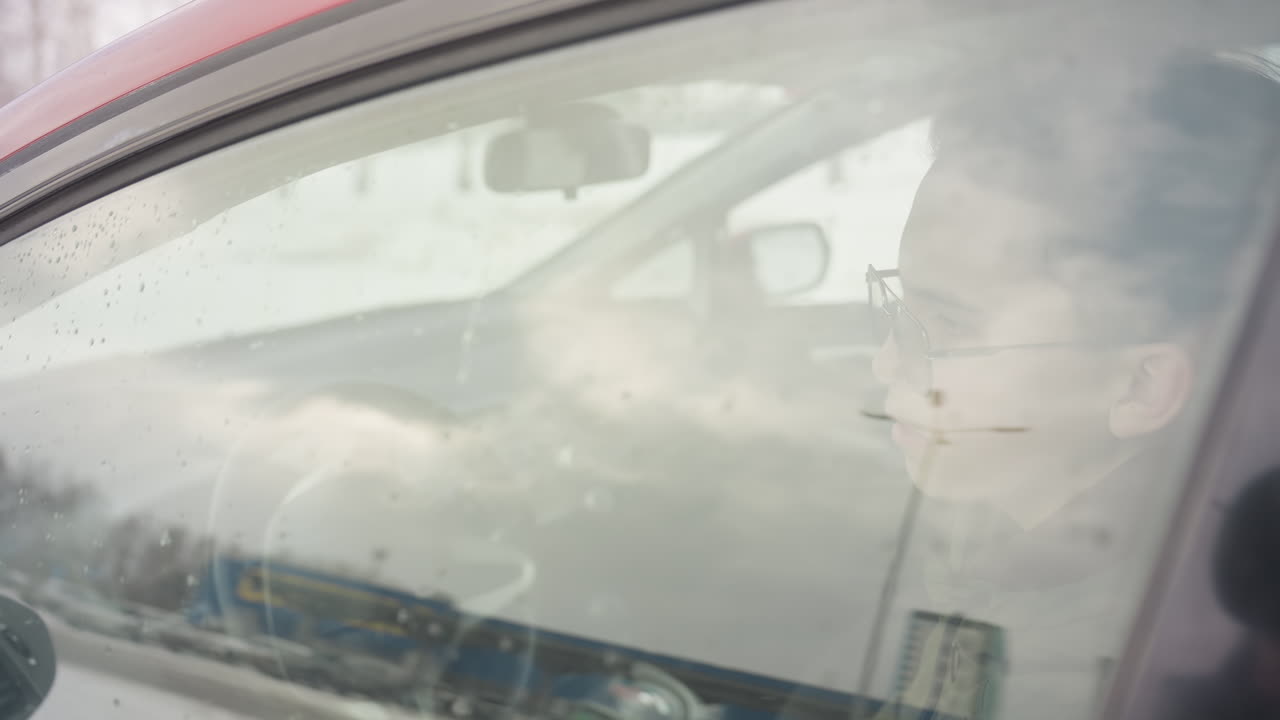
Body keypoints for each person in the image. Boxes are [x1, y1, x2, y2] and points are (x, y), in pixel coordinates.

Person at [862, 51, 1280, 720]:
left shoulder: (1129, 677)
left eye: (947, 324)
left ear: (1141, 387)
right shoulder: (965, 531)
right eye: (897, 306)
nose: (886, 364)